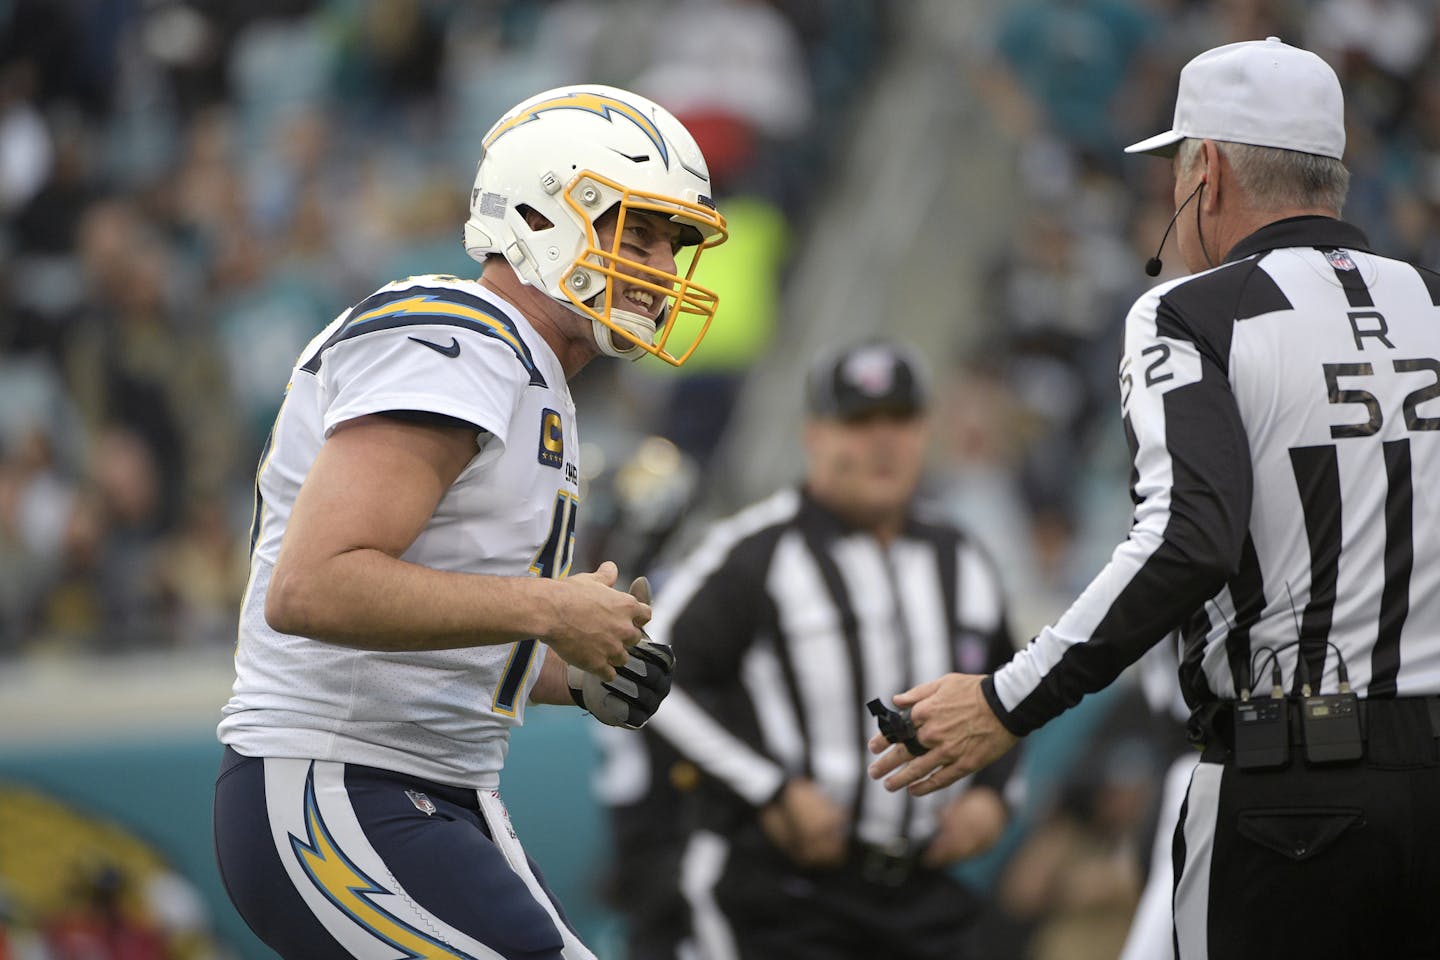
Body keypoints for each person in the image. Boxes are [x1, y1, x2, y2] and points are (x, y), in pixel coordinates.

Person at [869, 37, 1440, 959]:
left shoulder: (1190, 312)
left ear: (1205, 168)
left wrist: (1007, 699)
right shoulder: (1432, 301)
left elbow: (1189, 535)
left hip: (1294, 789)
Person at [212, 84, 728, 960]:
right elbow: (313, 587)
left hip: (435, 788)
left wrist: (575, 675)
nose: (662, 269)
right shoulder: (458, 335)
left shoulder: (526, 371)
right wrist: (550, 612)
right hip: (334, 780)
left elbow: (437, 621)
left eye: (671, 245)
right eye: (636, 231)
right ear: (543, 210)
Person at [647, 339, 1019, 959]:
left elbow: (1011, 690)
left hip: (923, 890)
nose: (881, 442)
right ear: (815, 434)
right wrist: (770, 788)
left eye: (898, 420)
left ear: (925, 430)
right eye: (858, 422)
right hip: (784, 894)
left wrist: (995, 796)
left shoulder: (964, 556)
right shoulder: (757, 549)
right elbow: (652, 671)